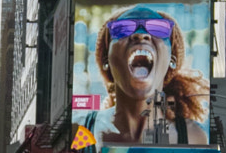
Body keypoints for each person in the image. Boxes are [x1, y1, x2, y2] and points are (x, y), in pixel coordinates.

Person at [84, 11, 209, 146]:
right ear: (105, 59)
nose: (141, 34)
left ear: (171, 60)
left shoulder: (193, 137)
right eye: (123, 28)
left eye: (158, 28)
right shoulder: (82, 130)